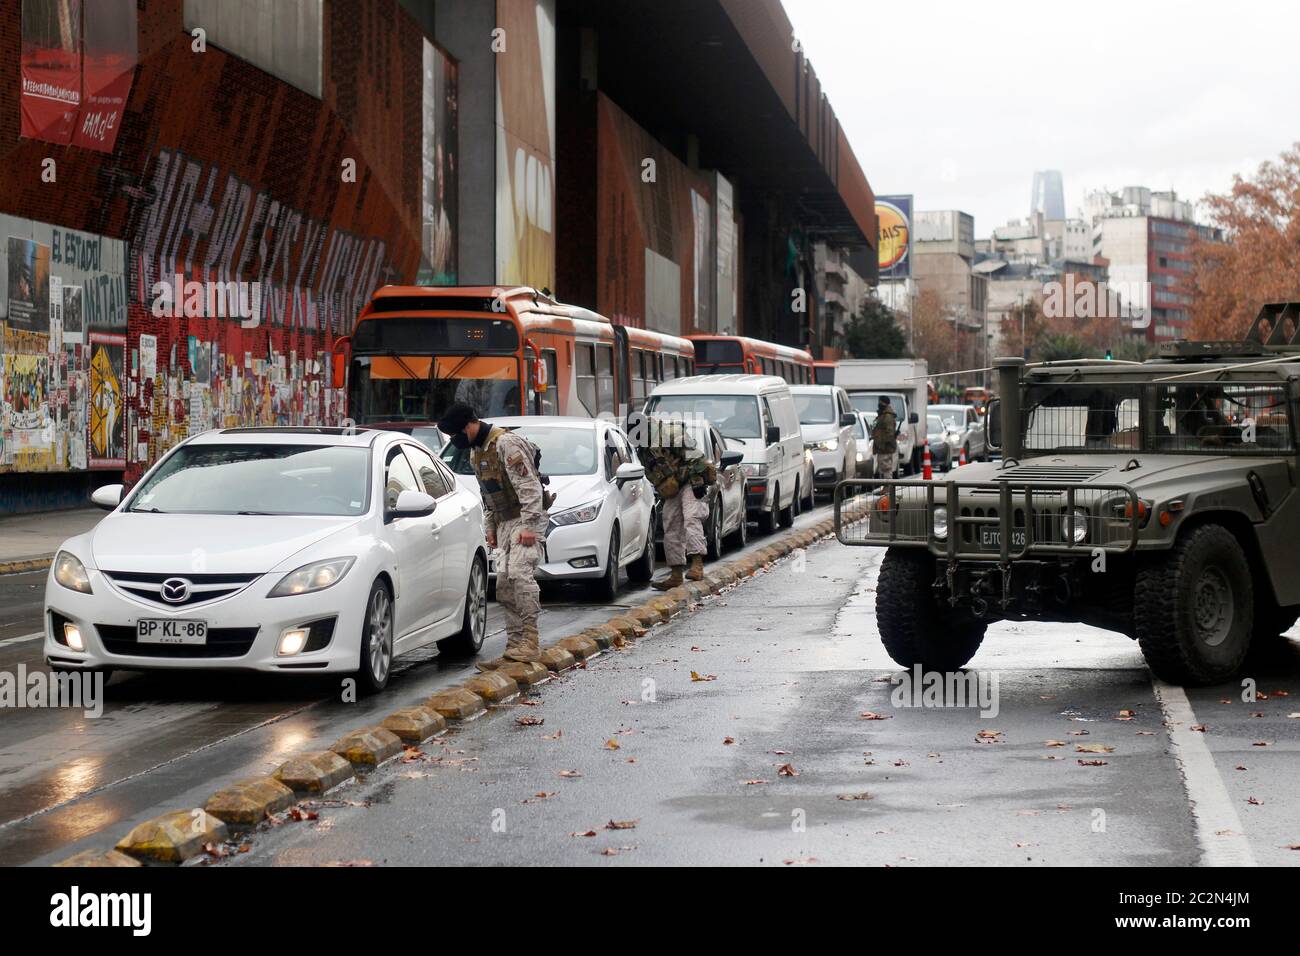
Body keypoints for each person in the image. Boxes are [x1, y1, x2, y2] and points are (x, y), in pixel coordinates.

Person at [437, 402, 549, 668]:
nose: (455, 440)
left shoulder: (506, 444)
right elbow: (489, 494)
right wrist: (490, 527)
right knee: (504, 585)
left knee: (521, 576)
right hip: (504, 521)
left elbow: (530, 487)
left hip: (526, 518)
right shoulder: (478, 451)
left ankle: (530, 643)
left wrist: (530, 526)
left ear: (468, 425)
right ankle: (514, 648)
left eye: (455, 434)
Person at [637, 417, 716, 590]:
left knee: (691, 517)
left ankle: (697, 565)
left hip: (691, 480)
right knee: (671, 523)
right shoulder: (643, 448)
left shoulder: (671, 433)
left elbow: (695, 457)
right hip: (673, 485)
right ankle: (675, 574)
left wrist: (698, 483)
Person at [870, 397, 899, 480]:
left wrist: (882, 444)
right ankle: (885, 487)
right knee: (883, 468)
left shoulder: (887, 416)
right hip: (882, 447)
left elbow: (889, 433)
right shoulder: (883, 415)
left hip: (885, 447)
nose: (879, 404)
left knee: (886, 467)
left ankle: (888, 487)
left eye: (880, 402)